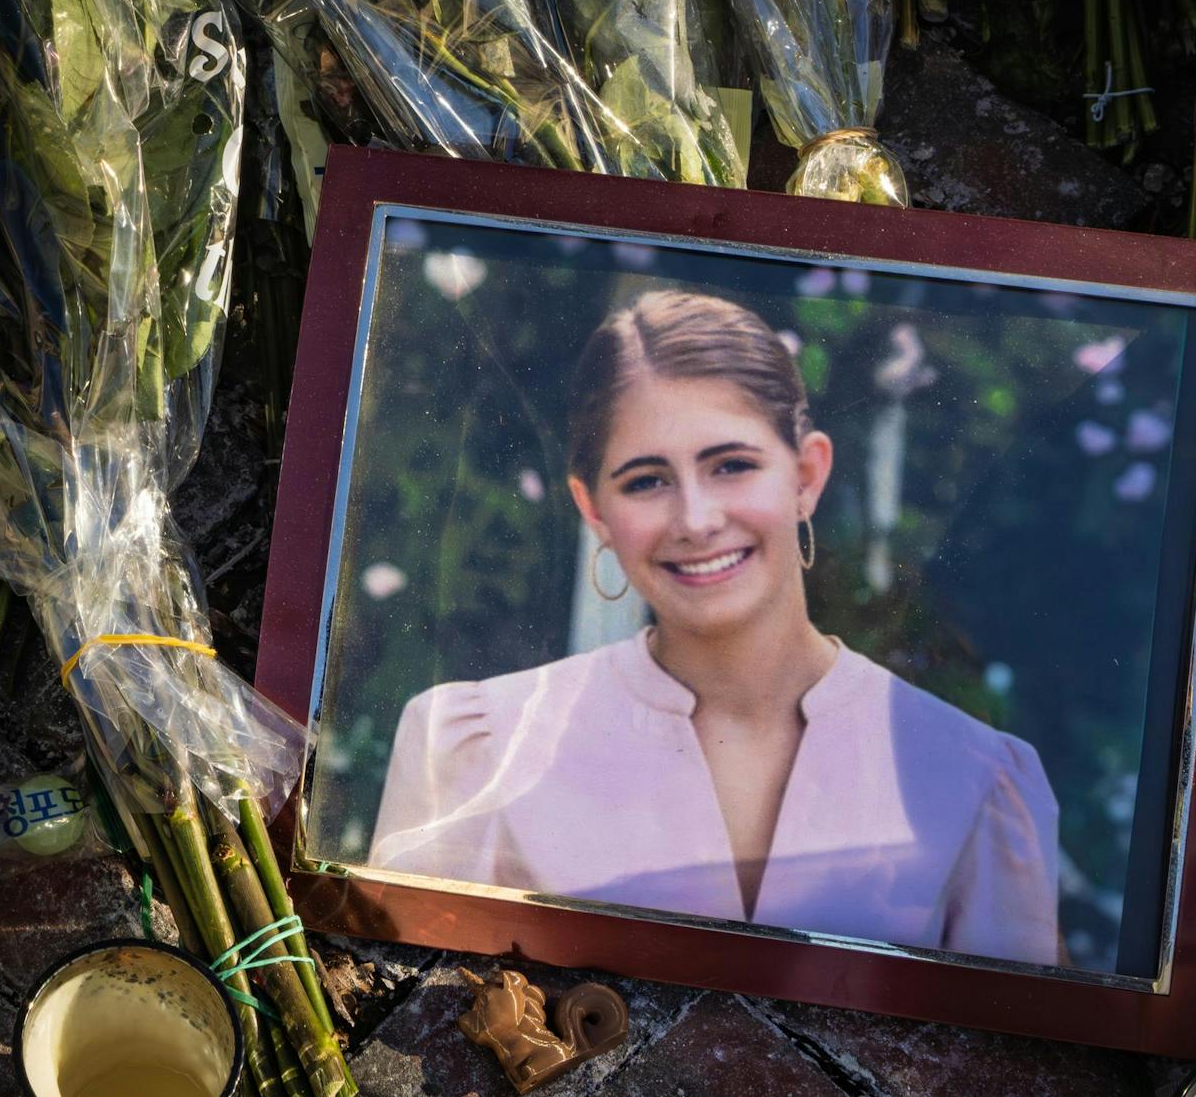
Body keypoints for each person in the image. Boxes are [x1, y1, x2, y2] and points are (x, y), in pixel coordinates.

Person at [370, 291, 1060, 964]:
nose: (696, 519)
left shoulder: (976, 783)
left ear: (807, 475)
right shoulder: (472, 749)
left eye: (731, 465)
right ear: (594, 511)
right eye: (646, 480)